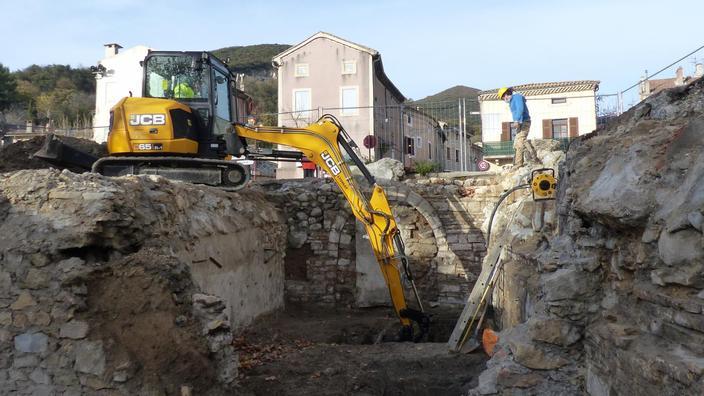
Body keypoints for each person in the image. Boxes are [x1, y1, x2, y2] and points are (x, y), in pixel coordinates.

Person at [498, 87, 539, 167]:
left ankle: (530, 160)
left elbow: (520, 108)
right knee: (517, 143)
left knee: (521, 141)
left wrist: (516, 120)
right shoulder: (512, 101)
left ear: (505, 94)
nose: (504, 100)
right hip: (520, 124)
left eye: (503, 98)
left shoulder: (517, 97)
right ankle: (518, 163)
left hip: (524, 122)